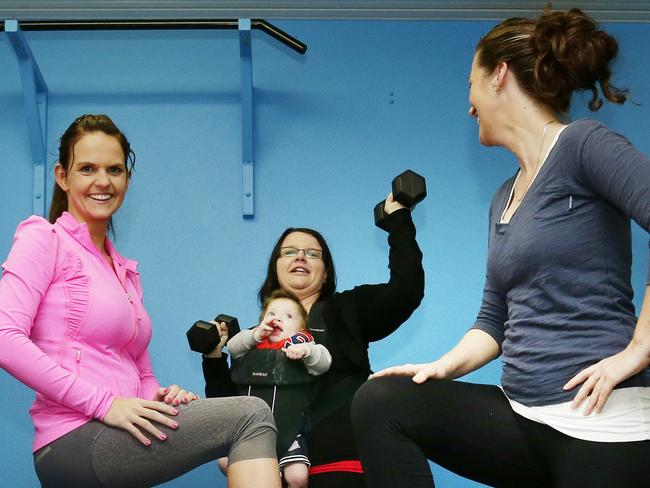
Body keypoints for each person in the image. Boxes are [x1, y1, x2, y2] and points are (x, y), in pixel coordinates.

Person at [351, 8, 650, 488]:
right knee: (383, 401)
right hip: (522, 417)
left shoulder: (582, 145)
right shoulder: (503, 198)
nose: (468, 106)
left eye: (471, 84)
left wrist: (640, 348)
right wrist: (441, 366)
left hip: (600, 424)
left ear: (499, 76)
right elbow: (494, 319)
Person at [0, 114, 281, 488]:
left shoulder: (123, 272)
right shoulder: (43, 239)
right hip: (73, 437)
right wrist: (104, 404)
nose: (103, 181)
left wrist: (161, 397)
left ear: (127, 180)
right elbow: (4, 336)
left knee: (233, 415)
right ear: (62, 176)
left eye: (114, 170)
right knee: (250, 415)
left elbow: (141, 373)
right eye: (87, 168)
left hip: (116, 431)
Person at [203, 200, 425, 487]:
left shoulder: (348, 310)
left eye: (312, 254)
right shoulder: (251, 337)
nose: (300, 258)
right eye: (290, 252)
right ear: (276, 267)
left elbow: (407, 289)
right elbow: (229, 410)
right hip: (272, 473)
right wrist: (213, 356)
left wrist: (398, 219)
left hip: (344, 467)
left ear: (326, 272)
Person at [224, 289, 332, 488]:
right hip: (250, 431)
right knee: (224, 461)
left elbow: (324, 362)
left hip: (289, 429)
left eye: (288, 316)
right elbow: (232, 347)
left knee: (298, 477)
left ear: (301, 328)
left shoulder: (302, 344)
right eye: (271, 314)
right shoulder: (252, 344)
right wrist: (255, 334)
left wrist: (307, 351)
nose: (278, 319)